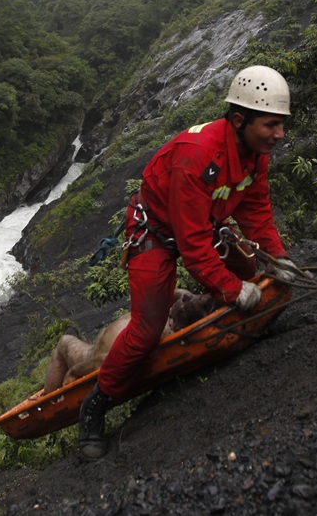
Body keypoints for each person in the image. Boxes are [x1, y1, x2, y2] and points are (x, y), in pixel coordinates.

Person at [76, 65, 303, 460]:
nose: (280, 134)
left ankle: (200, 310)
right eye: (271, 124)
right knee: (146, 330)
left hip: (201, 222)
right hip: (155, 233)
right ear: (239, 120)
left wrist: (278, 258)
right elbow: (193, 246)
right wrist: (232, 291)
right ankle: (95, 406)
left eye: (282, 124)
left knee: (248, 268)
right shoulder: (197, 156)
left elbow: (256, 212)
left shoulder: (254, 155)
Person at [41, 289, 216, 394]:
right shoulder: (175, 314)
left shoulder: (154, 334)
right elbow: (178, 293)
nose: (185, 298)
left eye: (186, 302)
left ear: (177, 323)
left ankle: (48, 398)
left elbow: (107, 360)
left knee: (64, 341)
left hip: (92, 356)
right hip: (103, 346)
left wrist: (73, 371)